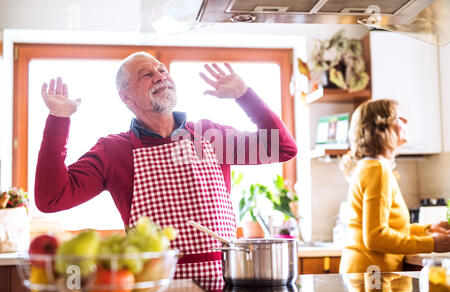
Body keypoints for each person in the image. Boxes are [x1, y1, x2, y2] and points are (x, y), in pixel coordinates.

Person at [35, 51, 298, 279]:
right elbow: (51, 199)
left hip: (223, 283)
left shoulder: (209, 136)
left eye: (162, 70)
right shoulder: (113, 151)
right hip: (155, 285)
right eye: (146, 74)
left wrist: (245, 95)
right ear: (126, 97)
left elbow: (284, 148)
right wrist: (59, 119)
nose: (160, 75)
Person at [339, 99, 450, 273]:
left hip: (366, 271)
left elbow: (390, 228)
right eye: (398, 118)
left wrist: (428, 230)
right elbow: (376, 237)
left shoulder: (371, 166)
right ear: (381, 129)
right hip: (370, 273)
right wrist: (433, 243)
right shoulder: (377, 169)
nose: (405, 121)